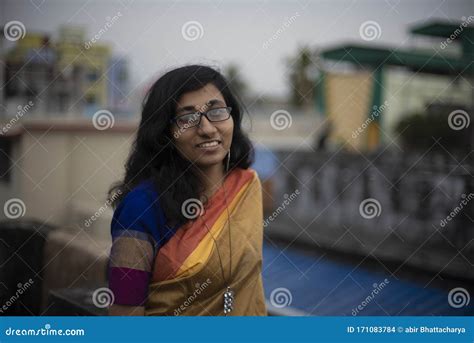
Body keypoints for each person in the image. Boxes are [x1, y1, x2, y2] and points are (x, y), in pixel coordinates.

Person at [107, 65, 267, 316]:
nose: (206, 129)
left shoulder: (245, 186)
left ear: (232, 117)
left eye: (216, 111)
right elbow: (124, 319)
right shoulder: (141, 207)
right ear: (166, 132)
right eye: (187, 118)